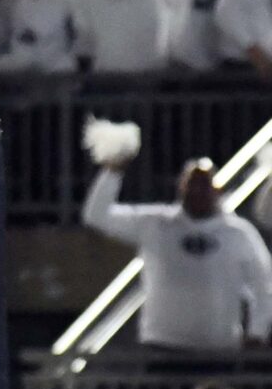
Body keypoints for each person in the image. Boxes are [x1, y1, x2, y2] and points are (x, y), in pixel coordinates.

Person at [82, 148, 272, 356]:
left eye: (205, 185)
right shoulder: (156, 223)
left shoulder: (238, 233)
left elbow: (263, 284)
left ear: (217, 190)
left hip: (220, 348)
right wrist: (112, 172)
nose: (198, 191)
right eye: (192, 184)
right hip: (162, 346)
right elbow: (96, 215)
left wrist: (257, 332)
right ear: (181, 188)